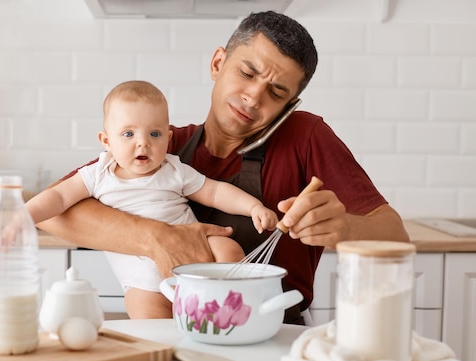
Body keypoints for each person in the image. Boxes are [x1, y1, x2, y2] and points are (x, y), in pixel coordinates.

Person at [35, 11, 410, 324]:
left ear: (290, 105)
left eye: (276, 93)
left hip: (272, 335)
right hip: (179, 328)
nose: (253, 96)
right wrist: (156, 238)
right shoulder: (163, 148)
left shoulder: (305, 136)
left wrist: (344, 227)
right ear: (218, 63)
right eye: (247, 73)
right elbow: (50, 212)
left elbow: (394, 236)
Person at [26, 80, 278, 319]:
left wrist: (253, 207)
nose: (143, 143)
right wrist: (22, 215)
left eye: (155, 134)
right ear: (106, 141)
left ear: (168, 140)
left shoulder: (174, 170)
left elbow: (215, 192)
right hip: (144, 284)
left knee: (229, 249)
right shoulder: (98, 174)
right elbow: (58, 196)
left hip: (197, 265)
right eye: (128, 134)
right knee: (150, 322)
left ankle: (231, 310)